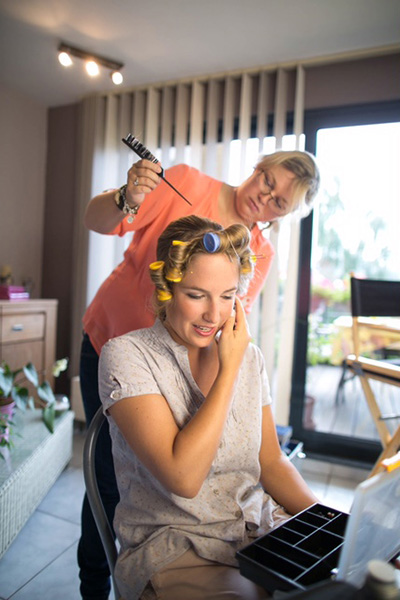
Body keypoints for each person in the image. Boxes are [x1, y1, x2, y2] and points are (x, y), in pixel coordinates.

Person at [78, 151, 320, 599]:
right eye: (268, 181)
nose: (265, 198)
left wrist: (326, 524)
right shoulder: (186, 183)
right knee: (112, 481)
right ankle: (94, 588)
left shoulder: (258, 255)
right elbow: (98, 220)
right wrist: (126, 197)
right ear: (257, 167)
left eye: (280, 203)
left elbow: (225, 322)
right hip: (120, 346)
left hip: (196, 358)